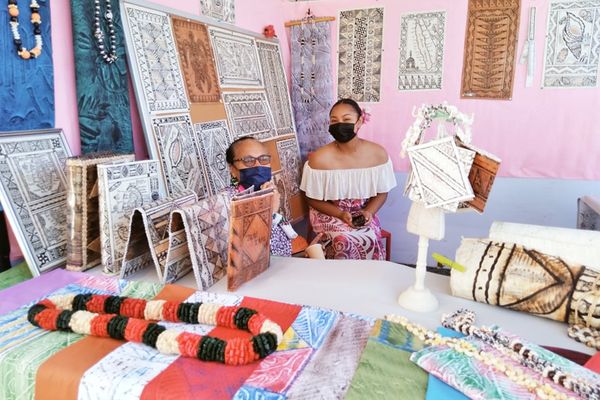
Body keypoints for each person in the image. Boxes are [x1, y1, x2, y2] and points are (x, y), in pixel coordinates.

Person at [300, 98, 397, 260]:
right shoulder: (319, 159)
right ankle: (336, 281)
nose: (340, 125)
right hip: (328, 213)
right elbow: (312, 200)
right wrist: (340, 214)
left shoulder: (378, 154)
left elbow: (382, 193)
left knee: (370, 236)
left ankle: (367, 282)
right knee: (343, 238)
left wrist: (368, 212)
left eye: (346, 120)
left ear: (359, 122)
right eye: (334, 121)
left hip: (363, 211)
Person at [225, 137, 293, 257]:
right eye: (248, 160)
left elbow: (283, 247)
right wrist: (271, 212)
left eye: (264, 159)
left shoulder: (268, 191)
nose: (258, 165)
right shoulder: (227, 203)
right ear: (232, 169)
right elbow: (251, 253)